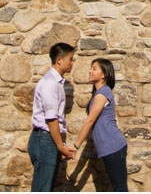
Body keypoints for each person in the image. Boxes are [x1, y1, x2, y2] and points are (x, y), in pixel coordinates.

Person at [72, 59, 128, 191]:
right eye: (91, 68)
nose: (90, 71)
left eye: (94, 68)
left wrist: (76, 146)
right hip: (110, 148)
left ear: (104, 74)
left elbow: (90, 120)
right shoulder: (99, 94)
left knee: (120, 189)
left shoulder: (103, 93)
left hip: (114, 146)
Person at [29, 42, 76, 191]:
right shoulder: (51, 84)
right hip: (45, 139)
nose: (72, 63)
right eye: (71, 59)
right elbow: (51, 119)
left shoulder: (55, 82)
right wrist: (60, 147)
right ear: (60, 60)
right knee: (42, 189)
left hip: (47, 139)